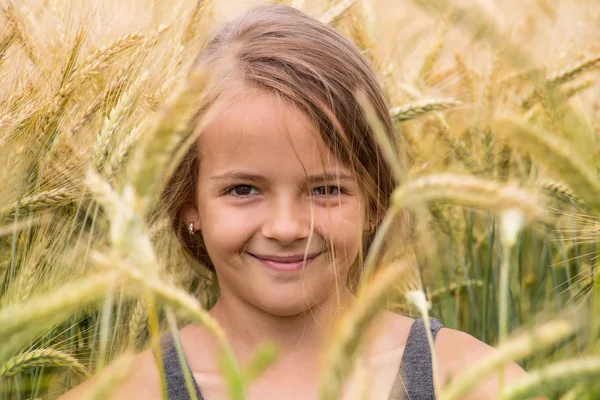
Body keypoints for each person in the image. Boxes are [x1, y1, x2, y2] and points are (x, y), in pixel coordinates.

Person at [61, 4, 538, 400]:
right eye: (243, 190)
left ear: (377, 200)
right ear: (189, 203)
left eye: (326, 190)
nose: (287, 228)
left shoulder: (474, 381)